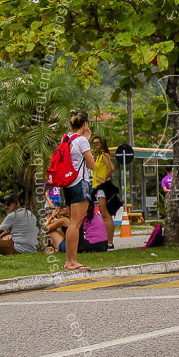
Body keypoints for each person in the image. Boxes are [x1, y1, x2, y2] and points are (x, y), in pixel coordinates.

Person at [61, 109, 95, 270]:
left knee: (72, 223)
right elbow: (91, 164)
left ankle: (69, 260)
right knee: (76, 223)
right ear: (85, 124)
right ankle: (72, 261)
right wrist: (86, 141)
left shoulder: (66, 138)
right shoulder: (82, 141)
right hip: (79, 183)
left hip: (67, 183)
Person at [90, 135, 120, 249]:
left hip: (103, 187)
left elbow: (111, 168)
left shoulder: (104, 155)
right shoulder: (98, 157)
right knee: (105, 215)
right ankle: (108, 241)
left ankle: (109, 242)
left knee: (106, 215)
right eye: (94, 143)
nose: (95, 146)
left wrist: (104, 178)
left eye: (97, 143)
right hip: (98, 187)